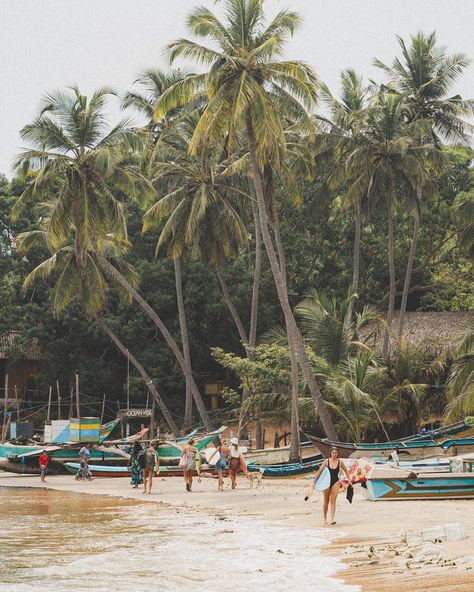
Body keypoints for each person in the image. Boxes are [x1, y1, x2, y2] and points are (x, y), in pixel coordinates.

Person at [313, 447, 350, 526]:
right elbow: (319, 471)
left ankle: (332, 519)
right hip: (326, 483)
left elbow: (346, 470)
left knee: (333, 501)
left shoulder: (340, 462)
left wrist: (349, 479)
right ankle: (324, 518)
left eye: (335, 453)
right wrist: (314, 482)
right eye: (333, 453)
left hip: (335, 482)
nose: (334, 454)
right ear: (330, 453)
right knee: (326, 501)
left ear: (338, 454)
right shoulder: (326, 461)